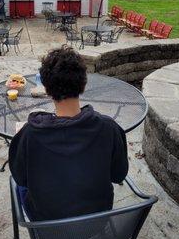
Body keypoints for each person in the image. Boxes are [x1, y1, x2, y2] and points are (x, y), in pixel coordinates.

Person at [9, 46, 128, 221]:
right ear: (84, 85)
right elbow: (118, 175)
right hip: (96, 220)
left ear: (47, 90)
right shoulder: (109, 128)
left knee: (19, 185)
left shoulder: (29, 134)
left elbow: (21, 178)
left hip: (46, 224)